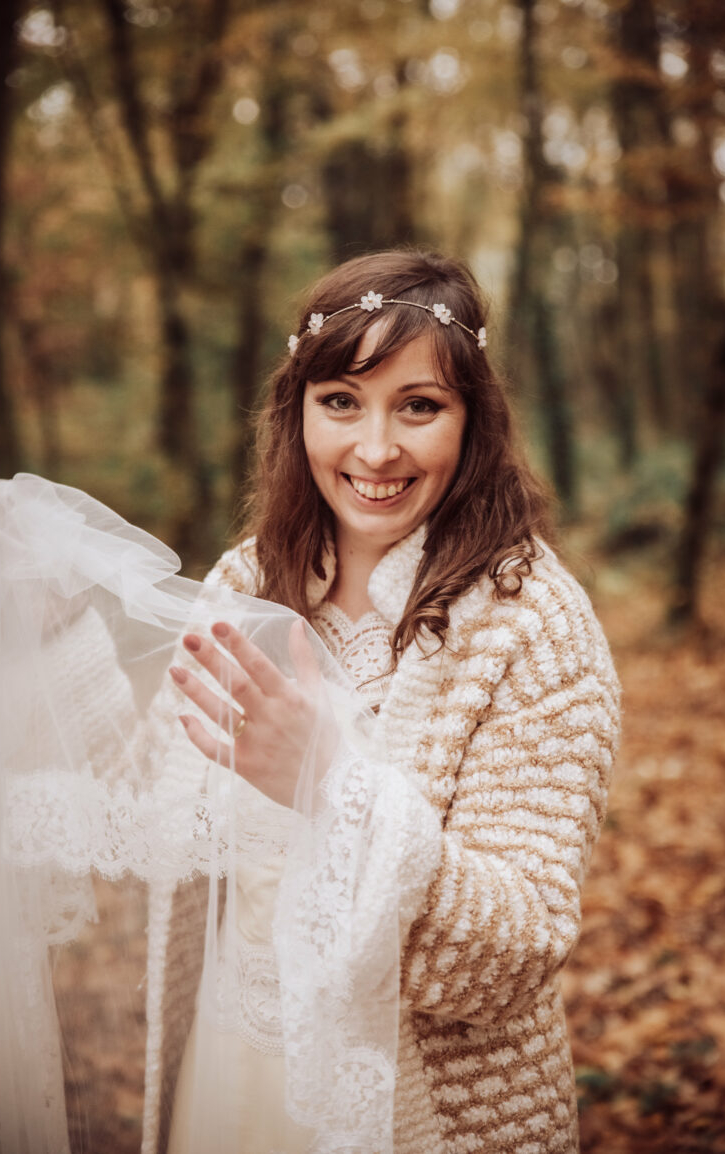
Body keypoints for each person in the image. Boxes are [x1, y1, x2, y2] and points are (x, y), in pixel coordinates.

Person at [155, 249, 621, 1154]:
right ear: (296, 413)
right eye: (341, 401)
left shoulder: (536, 626)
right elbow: (162, 829)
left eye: (418, 406)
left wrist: (332, 787)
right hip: (230, 1064)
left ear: (472, 421)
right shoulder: (245, 581)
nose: (375, 450)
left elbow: (515, 951)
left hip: (419, 1099)